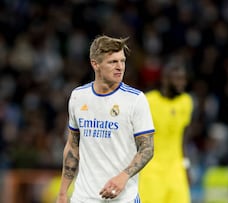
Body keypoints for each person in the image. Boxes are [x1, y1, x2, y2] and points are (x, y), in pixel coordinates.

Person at [56, 35, 155, 203]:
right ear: (95, 64)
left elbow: (147, 149)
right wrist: (63, 192)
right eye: (113, 62)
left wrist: (123, 177)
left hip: (123, 198)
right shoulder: (78, 97)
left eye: (122, 61)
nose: (120, 67)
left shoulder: (136, 99)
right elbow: (73, 146)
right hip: (83, 197)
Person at [139, 62, 193, 203]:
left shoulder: (186, 102)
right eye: (178, 79)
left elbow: (183, 139)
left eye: (184, 78)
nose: (183, 82)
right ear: (165, 79)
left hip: (176, 171)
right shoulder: (148, 101)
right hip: (152, 171)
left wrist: (186, 166)